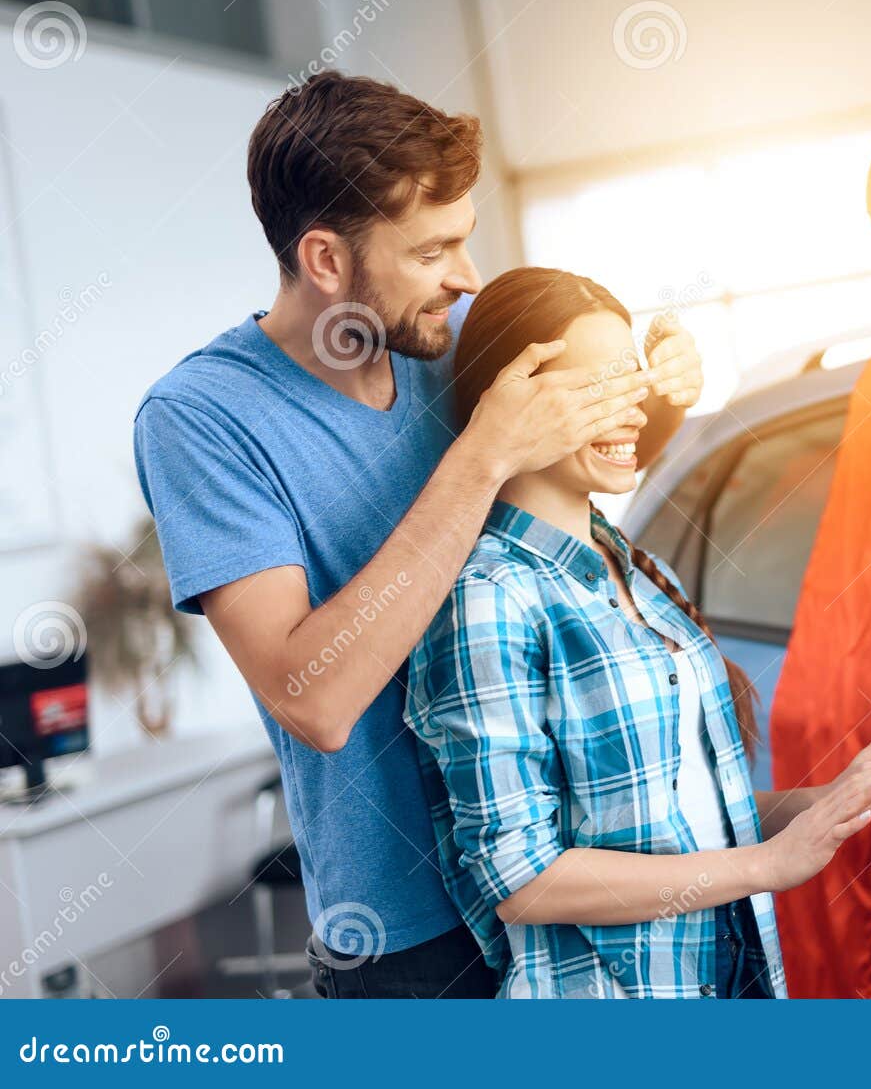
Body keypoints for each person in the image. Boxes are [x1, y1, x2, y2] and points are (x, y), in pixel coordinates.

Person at [132, 72, 705, 998]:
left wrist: (664, 398)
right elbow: (311, 700)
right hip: (410, 940)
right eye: (433, 250)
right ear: (324, 259)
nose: (467, 277)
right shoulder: (201, 419)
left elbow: (578, 489)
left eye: (465, 240)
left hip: (566, 873)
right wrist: (481, 455)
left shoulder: (459, 333)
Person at [407, 267, 871, 998]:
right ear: (514, 399)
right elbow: (523, 880)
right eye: (598, 388)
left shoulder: (636, 568)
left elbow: (673, 816)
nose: (634, 413)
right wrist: (766, 867)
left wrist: (820, 803)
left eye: (631, 383)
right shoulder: (488, 596)